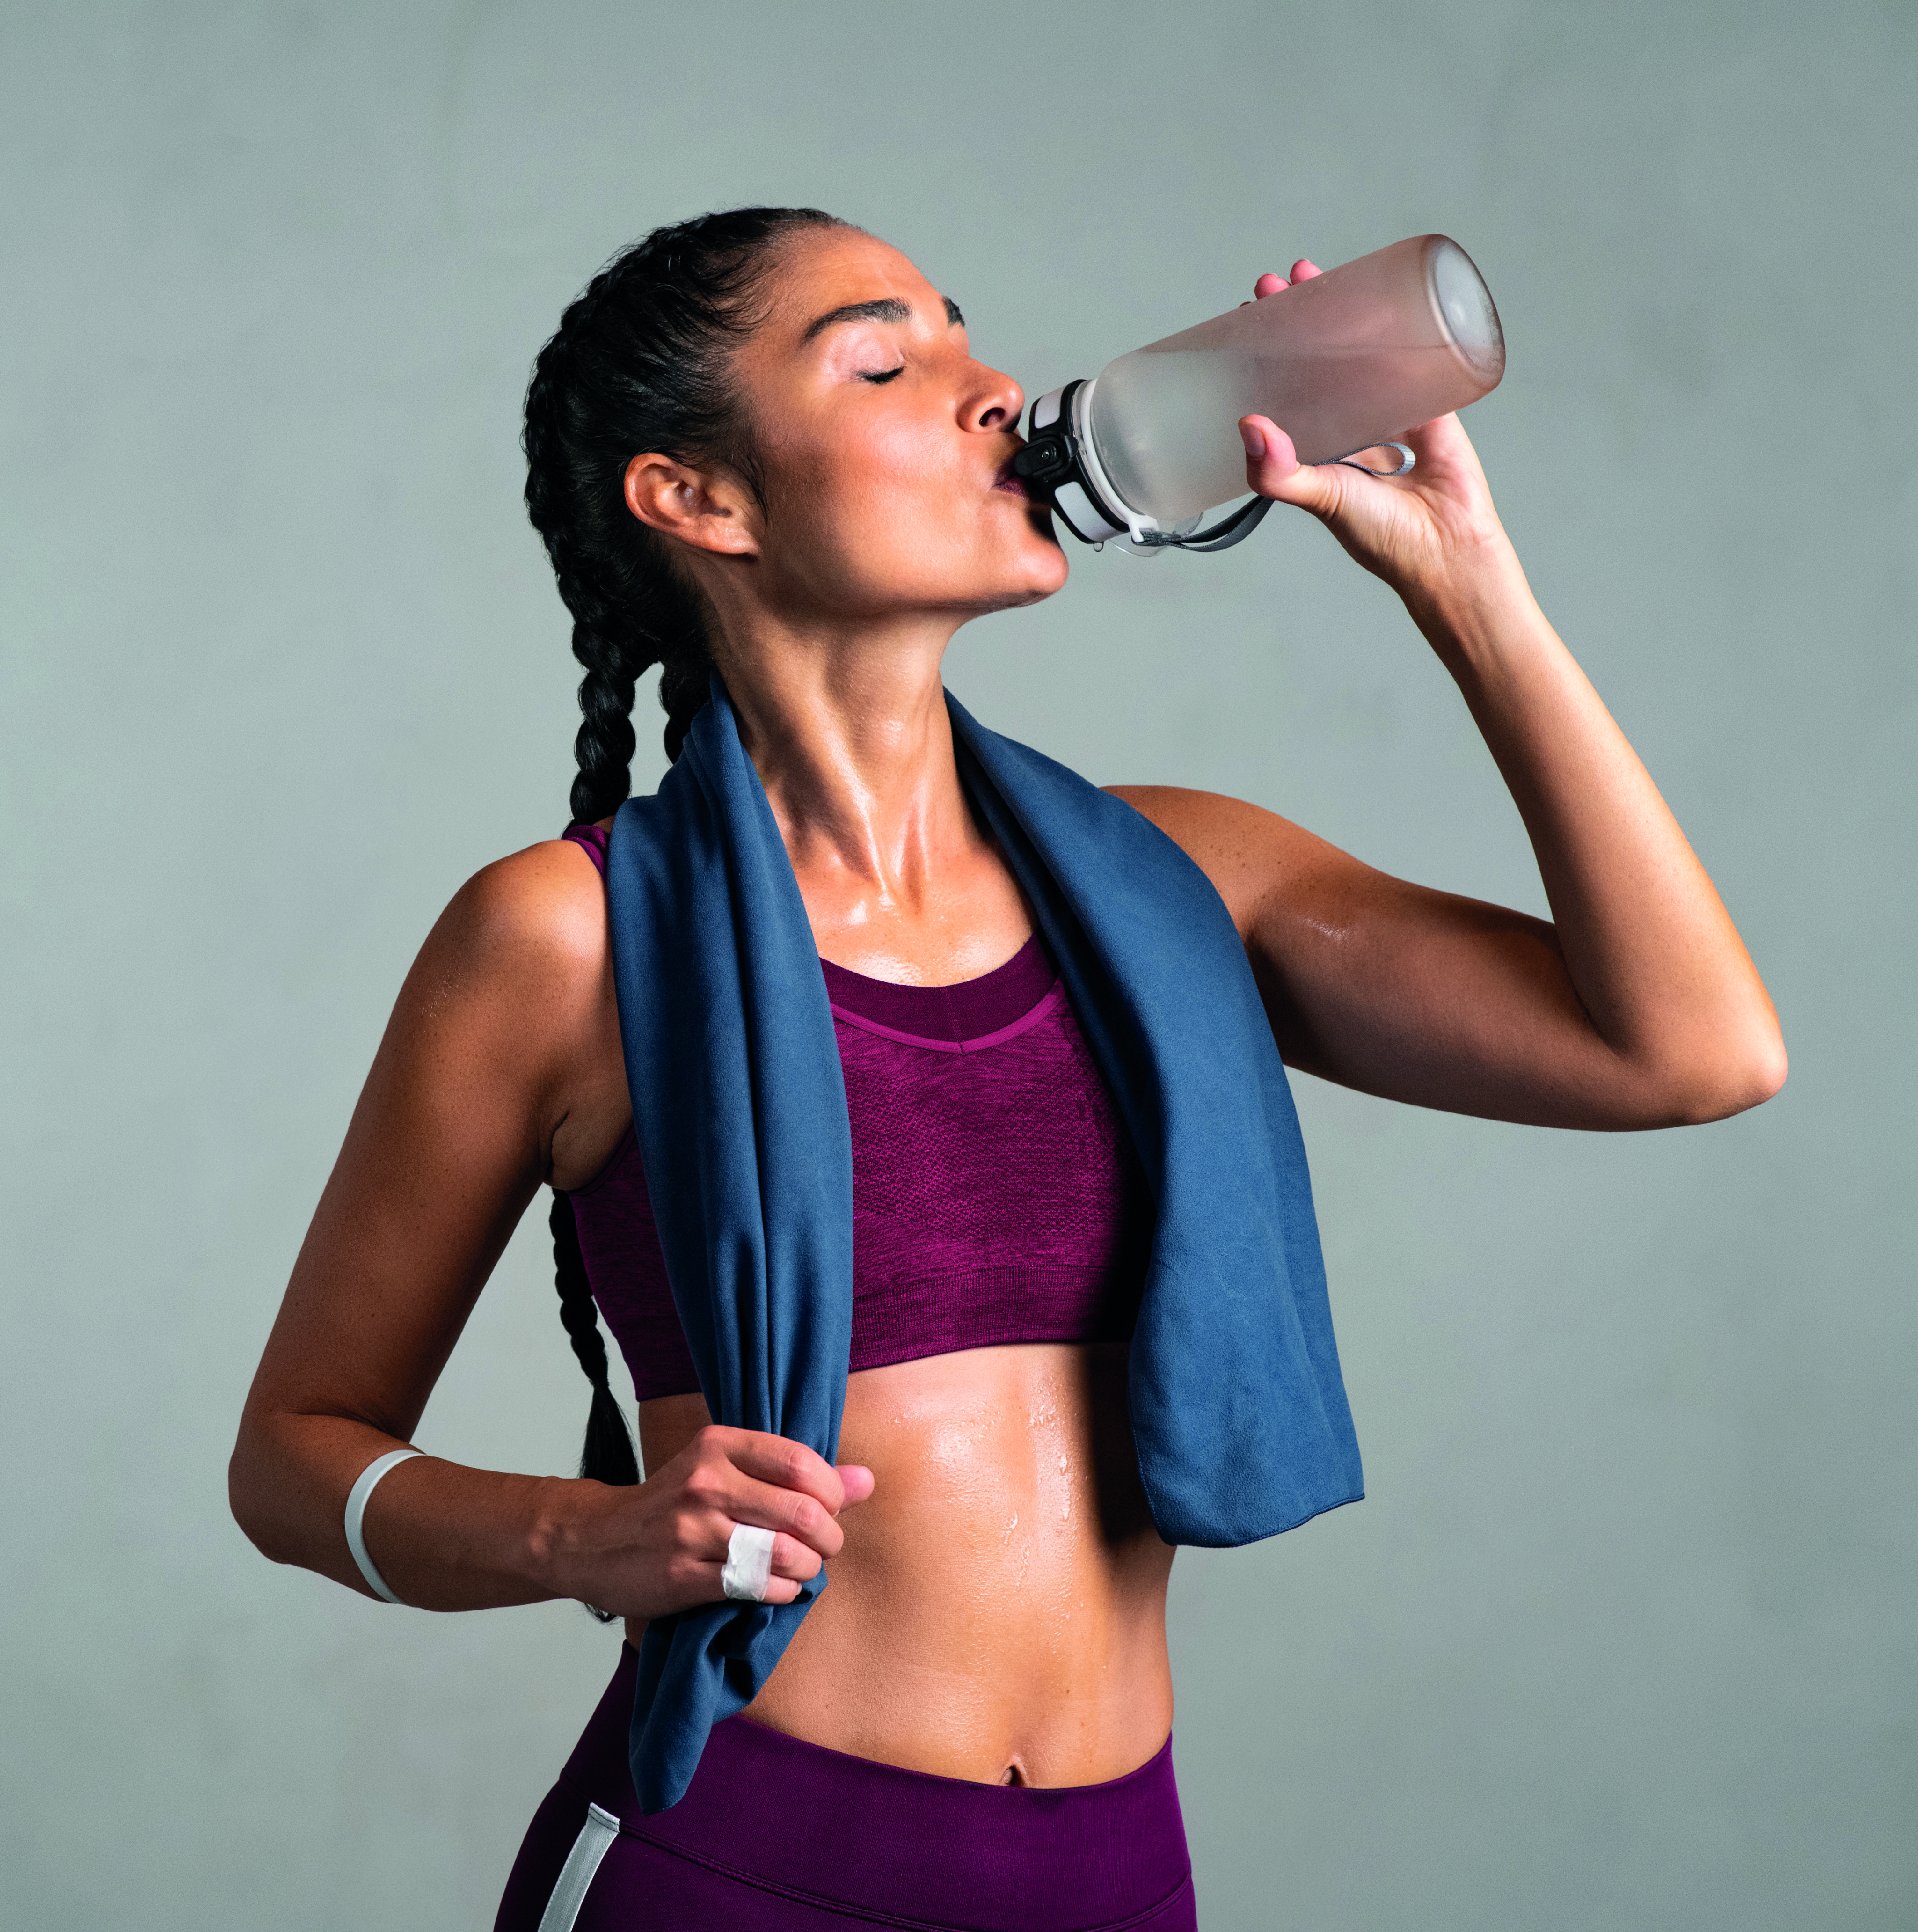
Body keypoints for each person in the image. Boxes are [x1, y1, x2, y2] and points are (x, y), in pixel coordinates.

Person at [229, 206, 1785, 1930]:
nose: (1000, 392)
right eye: (888, 361)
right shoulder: (569, 939)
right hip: (741, 1866)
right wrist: (572, 1535)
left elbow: (1690, 1048)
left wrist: (1469, 592)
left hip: (1119, 1877)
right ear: (702, 500)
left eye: (972, 336)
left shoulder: (1188, 882)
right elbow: (295, 1455)